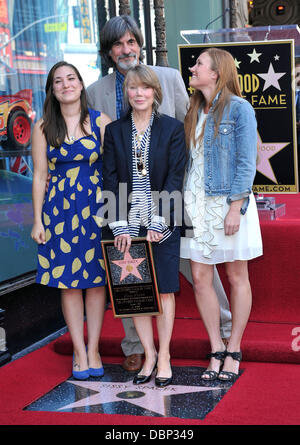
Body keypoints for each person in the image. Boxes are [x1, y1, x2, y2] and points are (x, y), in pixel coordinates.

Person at [87, 15, 232, 372]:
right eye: (118, 44)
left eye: (131, 42)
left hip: (173, 201)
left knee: (196, 267)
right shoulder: (96, 92)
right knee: (131, 281)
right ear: (109, 52)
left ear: (140, 44)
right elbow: (107, 166)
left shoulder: (168, 78)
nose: (126, 50)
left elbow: (192, 125)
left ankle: (225, 330)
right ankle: (137, 345)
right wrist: (117, 218)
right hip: (126, 207)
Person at [180, 48, 263, 382]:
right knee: (200, 278)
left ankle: (235, 348)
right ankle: (216, 347)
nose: (193, 67)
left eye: (199, 64)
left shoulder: (239, 108)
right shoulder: (193, 108)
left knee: (236, 276)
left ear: (216, 73)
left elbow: (246, 161)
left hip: (227, 203)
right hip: (195, 203)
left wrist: (235, 207)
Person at [103, 64, 186, 387]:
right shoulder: (115, 131)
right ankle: (148, 355)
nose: (139, 94)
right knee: (136, 291)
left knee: (164, 289)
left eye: (145, 88)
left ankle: (164, 355)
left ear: (155, 92)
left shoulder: (172, 129)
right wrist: (120, 226)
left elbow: (175, 177)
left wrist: (159, 220)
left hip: (162, 219)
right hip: (126, 220)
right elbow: (109, 178)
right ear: (127, 93)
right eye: (133, 88)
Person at [31, 61, 111, 380]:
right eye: (58, 81)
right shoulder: (42, 128)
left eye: (71, 78)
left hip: (97, 208)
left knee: (95, 280)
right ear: (52, 90)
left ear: (81, 84)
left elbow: (114, 166)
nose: (66, 85)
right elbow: (39, 176)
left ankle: (94, 348)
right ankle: (78, 350)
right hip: (60, 213)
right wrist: (37, 220)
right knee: (68, 283)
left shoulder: (100, 121)